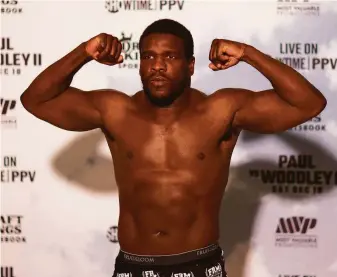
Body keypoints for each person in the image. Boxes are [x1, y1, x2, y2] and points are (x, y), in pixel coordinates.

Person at [20, 19, 326, 277]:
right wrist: (84, 52)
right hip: (133, 266)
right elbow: (36, 100)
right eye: (149, 57)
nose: (157, 67)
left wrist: (248, 54)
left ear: (190, 65)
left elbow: (309, 103)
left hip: (199, 265)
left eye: (169, 57)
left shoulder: (220, 110)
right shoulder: (115, 111)